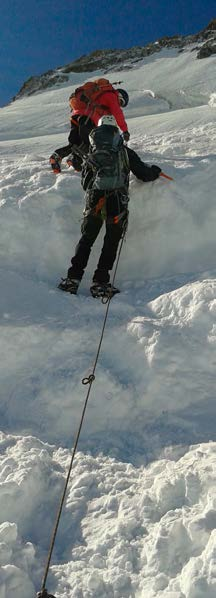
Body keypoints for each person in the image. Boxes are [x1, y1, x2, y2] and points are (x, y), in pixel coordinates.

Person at [57, 115, 161, 298]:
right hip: (117, 201)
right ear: (116, 132)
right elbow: (144, 174)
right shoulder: (124, 151)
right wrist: (155, 171)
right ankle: (100, 283)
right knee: (110, 242)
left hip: (94, 200)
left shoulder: (92, 152)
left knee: (86, 240)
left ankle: (72, 280)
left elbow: (85, 184)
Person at [49, 83, 130, 174]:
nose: (120, 105)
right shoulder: (112, 96)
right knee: (89, 143)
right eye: (121, 102)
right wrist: (125, 130)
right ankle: (74, 160)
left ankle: (59, 157)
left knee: (75, 143)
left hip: (76, 116)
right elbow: (118, 114)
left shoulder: (101, 97)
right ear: (120, 96)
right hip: (88, 118)